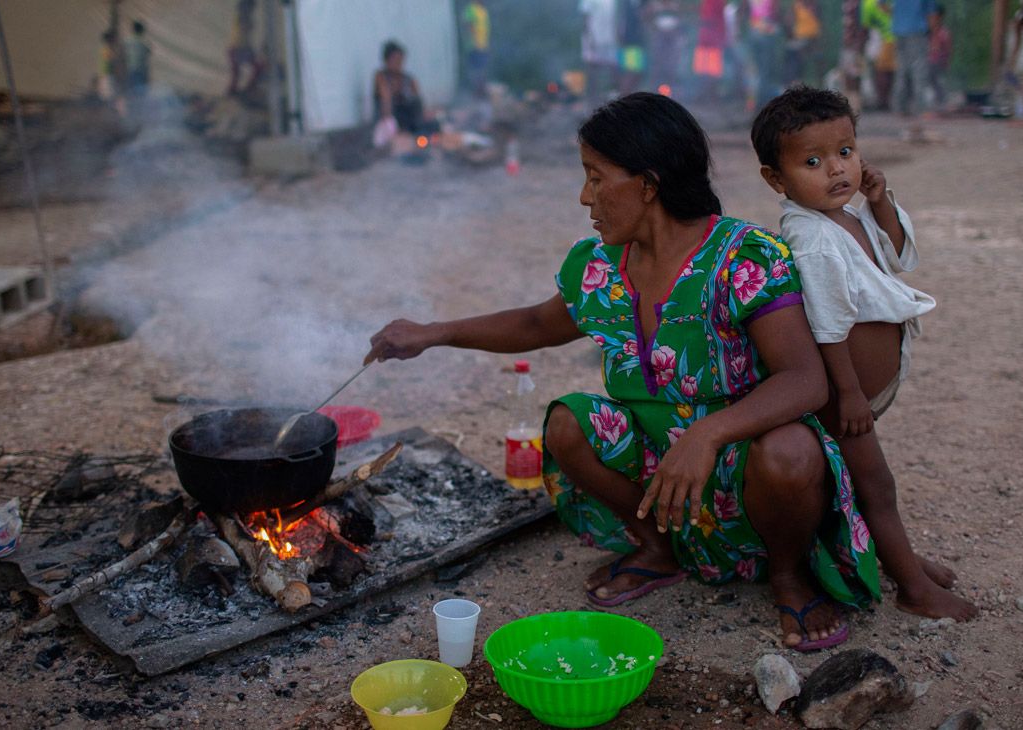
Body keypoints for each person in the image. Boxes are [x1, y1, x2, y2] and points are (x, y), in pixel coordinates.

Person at [366, 92, 880, 651]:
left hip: (745, 468)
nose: (585, 196)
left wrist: (708, 434)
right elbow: (537, 324)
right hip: (660, 478)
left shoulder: (745, 257)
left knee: (791, 451)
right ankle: (657, 547)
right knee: (568, 423)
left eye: (595, 177)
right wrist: (431, 333)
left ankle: (788, 574)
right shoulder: (601, 266)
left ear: (648, 183)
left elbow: (805, 381)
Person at [751, 87, 978, 621]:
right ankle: (912, 587)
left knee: (857, 485)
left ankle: (903, 561)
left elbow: (899, 255)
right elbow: (827, 326)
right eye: (813, 161)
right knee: (876, 486)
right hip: (840, 395)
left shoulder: (844, 216)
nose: (836, 170)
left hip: (854, 394)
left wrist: (878, 200)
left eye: (845, 152)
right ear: (776, 179)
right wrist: (849, 393)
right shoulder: (812, 236)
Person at [373, 40, 438, 137]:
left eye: (400, 60)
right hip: (390, 120)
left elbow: (419, 103)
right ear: (386, 60)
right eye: (394, 60)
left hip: (410, 121)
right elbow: (386, 103)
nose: (398, 63)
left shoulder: (409, 79)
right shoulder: (381, 77)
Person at [891, 0, 933, 120]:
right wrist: (933, 34)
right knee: (919, 69)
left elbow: (881, 4)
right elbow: (932, 13)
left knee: (901, 69)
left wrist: (899, 16)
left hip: (898, 30)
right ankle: (922, 108)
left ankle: (900, 108)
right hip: (917, 31)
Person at [580, 0, 620, 103]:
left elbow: (616, 17)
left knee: (613, 68)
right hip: (593, 39)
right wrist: (589, 38)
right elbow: (585, 18)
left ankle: (613, 95)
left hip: (610, 39)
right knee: (593, 69)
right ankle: (591, 98)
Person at [747, 0, 783, 105]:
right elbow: (774, 12)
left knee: (756, 69)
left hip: (753, 32)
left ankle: (755, 99)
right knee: (765, 70)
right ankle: (761, 100)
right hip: (765, 34)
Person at [693, 0, 727, 101]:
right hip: (709, 40)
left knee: (709, 70)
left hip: (708, 39)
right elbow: (718, 20)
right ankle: (707, 95)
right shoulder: (714, 2)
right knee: (708, 70)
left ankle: (707, 95)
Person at [646, 0, 683, 93]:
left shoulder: (675, 4)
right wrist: (653, 29)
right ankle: (655, 90)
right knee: (658, 64)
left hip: (672, 37)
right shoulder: (655, 4)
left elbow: (680, 19)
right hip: (659, 36)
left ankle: (670, 90)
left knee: (671, 65)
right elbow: (647, 17)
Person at [784, 0, 822, 87]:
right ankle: (792, 81)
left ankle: (795, 79)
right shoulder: (796, 5)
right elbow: (788, 21)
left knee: (796, 51)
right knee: (790, 50)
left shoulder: (813, 6)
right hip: (798, 39)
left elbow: (816, 27)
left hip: (811, 39)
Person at [227, 0, 261, 97]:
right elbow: (243, 35)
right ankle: (248, 89)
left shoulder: (241, 16)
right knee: (257, 68)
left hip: (234, 48)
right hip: (238, 48)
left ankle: (236, 90)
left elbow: (243, 34)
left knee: (236, 74)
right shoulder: (243, 17)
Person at [461, 0, 491, 99]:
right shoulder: (471, 9)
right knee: (476, 69)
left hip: (483, 45)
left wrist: (485, 43)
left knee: (482, 68)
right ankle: (477, 93)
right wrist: (474, 40)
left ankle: (482, 91)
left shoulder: (483, 10)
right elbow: (467, 25)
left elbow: (484, 28)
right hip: (473, 45)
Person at [617, 0, 647, 95]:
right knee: (631, 71)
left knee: (637, 71)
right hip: (630, 41)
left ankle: (628, 96)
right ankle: (624, 97)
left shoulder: (640, 3)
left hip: (637, 41)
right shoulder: (626, 3)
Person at [927, 6, 952, 110]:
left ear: (941, 17)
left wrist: (946, 61)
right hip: (927, 63)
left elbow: (947, 49)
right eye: (931, 17)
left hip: (938, 63)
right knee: (928, 84)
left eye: (935, 17)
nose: (933, 20)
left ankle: (942, 103)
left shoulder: (944, 33)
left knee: (939, 83)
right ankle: (930, 105)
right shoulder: (925, 32)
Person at [124, 20, 152, 99]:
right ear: (142, 31)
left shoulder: (126, 41)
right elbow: (148, 54)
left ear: (133, 30)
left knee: (130, 92)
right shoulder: (145, 43)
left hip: (130, 71)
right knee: (142, 94)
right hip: (141, 72)